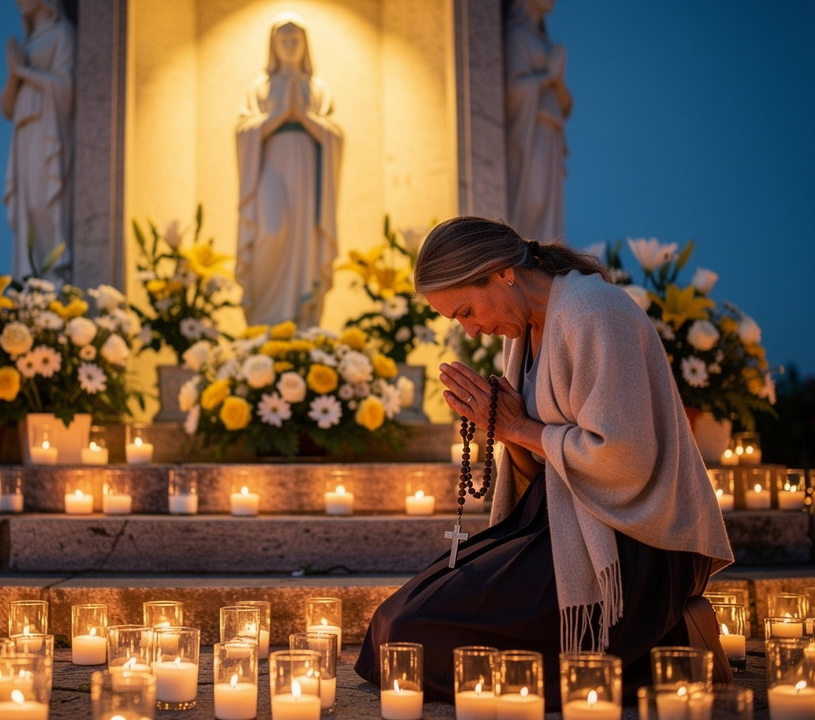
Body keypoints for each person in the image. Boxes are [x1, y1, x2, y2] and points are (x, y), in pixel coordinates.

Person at [354, 217, 734, 708]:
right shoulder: (528, 330)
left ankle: (668, 639)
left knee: (412, 638)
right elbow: (547, 472)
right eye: (458, 320)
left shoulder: (593, 314)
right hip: (561, 524)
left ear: (502, 272)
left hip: (636, 546)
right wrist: (500, 424)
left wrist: (516, 428)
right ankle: (652, 646)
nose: (472, 328)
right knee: (392, 626)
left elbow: (624, 460)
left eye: (467, 310)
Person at [235, 14, 343, 328]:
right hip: (271, 162)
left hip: (309, 170)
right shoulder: (260, 87)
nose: (290, 45)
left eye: (295, 39)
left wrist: (305, 118)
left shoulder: (317, 87)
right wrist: (281, 115)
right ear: (274, 45)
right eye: (283, 40)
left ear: (304, 45)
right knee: (270, 229)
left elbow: (334, 134)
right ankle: (265, 317)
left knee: (306, 236)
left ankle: (302, 317)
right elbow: (243, 130)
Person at [1, 0, 76, 283]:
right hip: (24, 133)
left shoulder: (62, 34)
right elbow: (7, 107)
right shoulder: (28, 43)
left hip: (48, 130)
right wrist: (13, 76)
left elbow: (66, 87)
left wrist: (23, 72)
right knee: (26, 207)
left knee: (43, 204)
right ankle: (30, 282)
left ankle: (53, 279)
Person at [504, 0, 572, 242]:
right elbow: (512, 89)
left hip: (550, 129)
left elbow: (565, 104)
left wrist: (557, 80)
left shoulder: (543, 42)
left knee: (550, 209)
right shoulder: (517, 35)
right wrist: (549, 75)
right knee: (534, 200)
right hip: (530, 130)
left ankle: (546, 260)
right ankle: (526, 257)